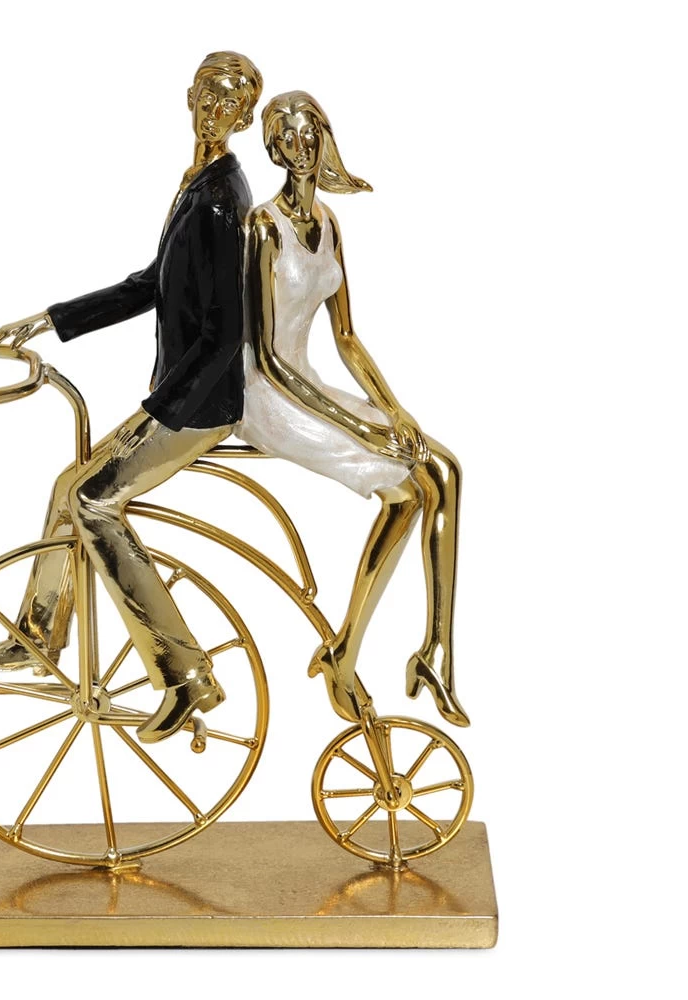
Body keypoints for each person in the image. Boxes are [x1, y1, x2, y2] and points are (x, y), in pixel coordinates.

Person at [0, 52, 264, 744]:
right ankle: (38, 636)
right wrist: (51, 319)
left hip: (200, 405)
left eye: (230, 104)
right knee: (67, 486)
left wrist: (160, 412)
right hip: (181, 394)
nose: (214, 111)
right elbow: (151, 284)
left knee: (93, 500)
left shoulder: (222, 197)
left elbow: (227, 334)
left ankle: (185, 673)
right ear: (188, 97)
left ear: (246, 118)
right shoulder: (198, 182)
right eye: (208, 96)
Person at [238, 91, 469, 726]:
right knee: (409, 489)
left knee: (445, 471)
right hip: (266, 396)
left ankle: (436, 652)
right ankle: (346, 654)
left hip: (309, 382)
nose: (300, 146)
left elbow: (345, 337)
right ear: (273, 149)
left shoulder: (331, 224)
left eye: (309, 132)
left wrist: (395, 411)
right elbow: (269, 357)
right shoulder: (263, 226)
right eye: (287, 136)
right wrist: (358, 428)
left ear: (324, 138)